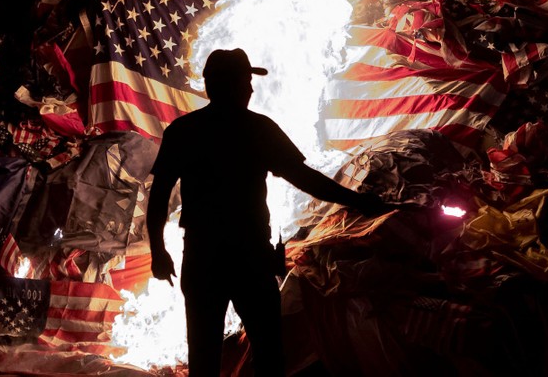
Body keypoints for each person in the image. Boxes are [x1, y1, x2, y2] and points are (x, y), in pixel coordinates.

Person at [146, 48, 389, 377]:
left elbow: (159, 195)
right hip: (249, 257)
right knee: (269, 356)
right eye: (247, 81)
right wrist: (358, 201)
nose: (251, 88)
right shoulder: (257, 128)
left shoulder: (184, 130)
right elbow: (304, 178)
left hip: (203, 258)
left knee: (204, 357)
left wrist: (159, 251)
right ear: (234, 85)